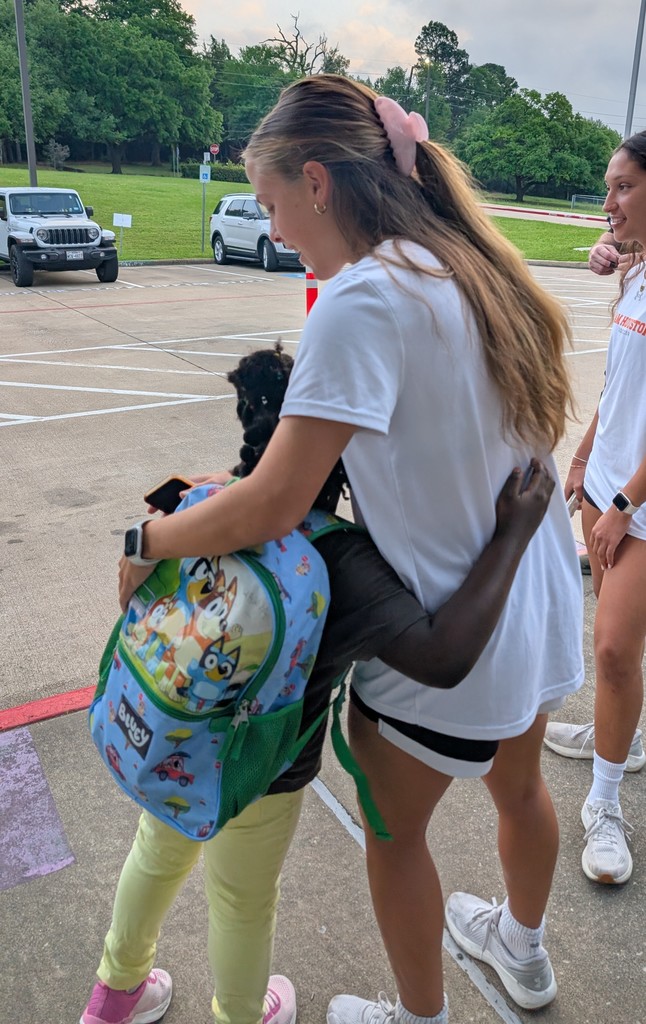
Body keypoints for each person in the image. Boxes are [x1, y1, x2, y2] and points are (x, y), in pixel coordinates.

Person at [117, 76, 583, 1021]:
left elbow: (276, 503)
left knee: (392, 828)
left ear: (320, 182)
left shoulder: (362, 300)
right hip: (536, 603)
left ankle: (421, 1014)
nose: (276, 226)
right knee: (522, 788)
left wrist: (150, 536)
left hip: (455, 626)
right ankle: (523, 956)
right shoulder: (461, 263)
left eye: (275, 202)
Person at [82, 343, 554, 1024]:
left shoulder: (199, 504)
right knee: (242, 900)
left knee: (154, 854)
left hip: (168, 738)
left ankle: (112, 996)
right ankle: (242, 1013)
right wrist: (511, 538)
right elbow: (445, 656)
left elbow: (213, 506)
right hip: (261, 770)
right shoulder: (340, 558)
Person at [543, 132, 646, 885]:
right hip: (605, 480)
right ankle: (623, 736)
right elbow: (623, 386)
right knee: (617, 649)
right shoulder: (637, 279)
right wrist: (583, 456)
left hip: (634, 501)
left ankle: (605, 805)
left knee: (612, 649)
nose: (605, 204)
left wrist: (621, 503)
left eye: (621, 189)